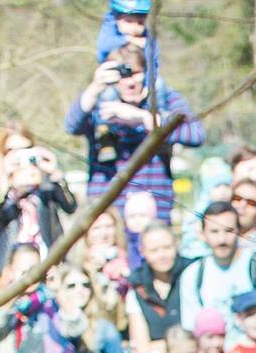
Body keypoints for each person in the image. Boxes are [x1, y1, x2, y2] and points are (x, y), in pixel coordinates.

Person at [64, 43, 205, 221]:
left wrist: (144, 118)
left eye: (136, 73)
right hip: (107, 212)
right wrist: (95, 87)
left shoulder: (165, 99)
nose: (130, 82)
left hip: (155, 209)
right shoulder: (98, 101)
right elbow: (71, 126)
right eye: (122, 75)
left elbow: (196, 134)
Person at [178, 200, 256, 347]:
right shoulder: (192, 275)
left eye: (228, 231)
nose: (222, 240)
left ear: (240, 232)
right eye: (214, 232)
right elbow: (191, 327)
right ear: (202, 234)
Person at [0, 144, 76, 276]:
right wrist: (7, 185)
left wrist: (55, 174)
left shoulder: (47, 186)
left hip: (46, 260)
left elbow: (71, 207)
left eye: (27, 149)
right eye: (13, 151)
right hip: (10, 263)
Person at [125, 222, 185, 353]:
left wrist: (157, 349)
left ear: (176, 245)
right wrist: (179, 348)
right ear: (142, 252)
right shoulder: (137, 289)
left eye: (167, 247)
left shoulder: (191, 276)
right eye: (154, 250)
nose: (162, 255)